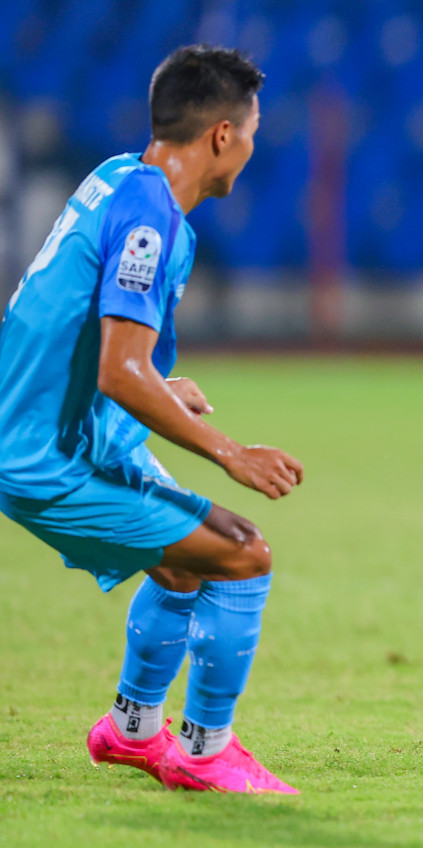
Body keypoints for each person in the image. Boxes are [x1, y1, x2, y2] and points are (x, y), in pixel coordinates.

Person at [0, 45, 305, 793]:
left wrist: (160, 384)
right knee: (242, 553)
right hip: (46, 458)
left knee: (180, 562)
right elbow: (118, 369)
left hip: (60, 429)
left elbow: (64, 326)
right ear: (222, 137)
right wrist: (230, 453)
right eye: (254, 130)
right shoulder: (150, 219)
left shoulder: (115, 179)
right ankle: (205, 753)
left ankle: (132, 732)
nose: (254, 148)